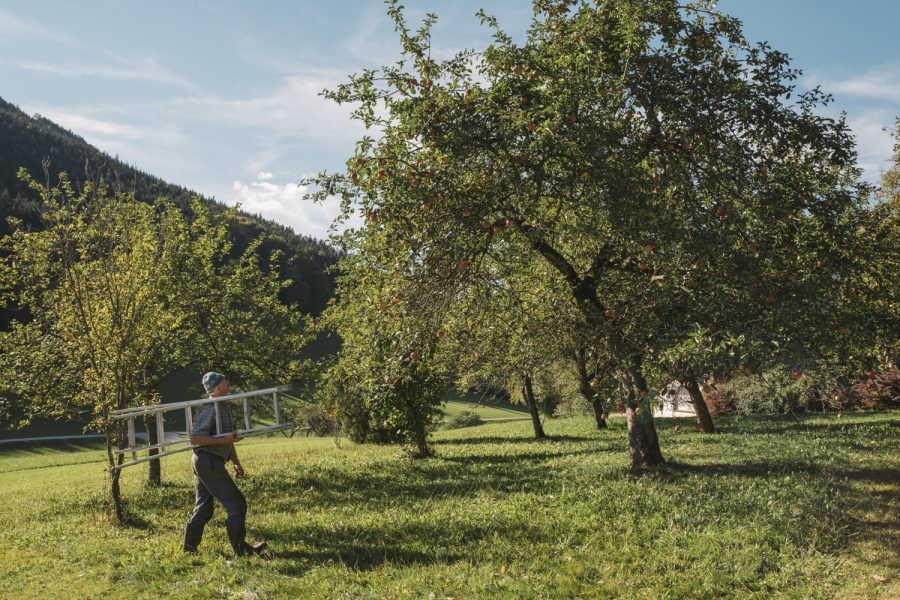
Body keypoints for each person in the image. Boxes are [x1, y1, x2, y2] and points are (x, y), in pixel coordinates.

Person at [183, 371, 267, 557]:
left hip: (208, 460)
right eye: (225, 380)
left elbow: (228, 438)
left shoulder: (221, 405)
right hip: (207, 460)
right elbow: (195, 438)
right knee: (237, 504)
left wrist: (235, 461)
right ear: (218, 387)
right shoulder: (211, 408)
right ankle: (241, 551)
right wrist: (224, 441)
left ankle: (189, 550)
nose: (229, 382)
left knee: (204, 508)